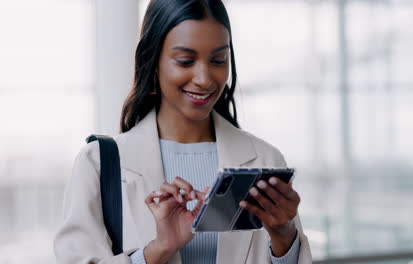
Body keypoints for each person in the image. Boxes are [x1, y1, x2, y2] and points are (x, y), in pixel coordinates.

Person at [54, 0, 313, 263]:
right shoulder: (98, 163)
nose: (204, 78)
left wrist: (284, 237)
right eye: (185, 61)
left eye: (218, 60)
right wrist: (158, 250)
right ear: (152, 60)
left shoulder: (265, 160)